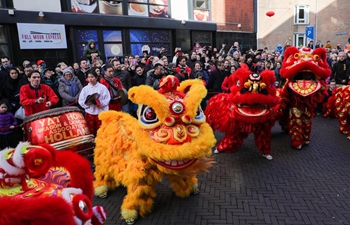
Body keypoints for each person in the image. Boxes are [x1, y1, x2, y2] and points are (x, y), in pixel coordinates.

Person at [78, 70, 110, 136]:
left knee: (102, 131)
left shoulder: (102, 87)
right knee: (90, 131)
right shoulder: (85, 89)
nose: (90, 79)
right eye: (89, 77)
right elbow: (81, 101)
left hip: (101, 112)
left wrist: (99, 103)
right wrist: (88, 104)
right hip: (90, 113)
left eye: (92, 77)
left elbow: (107, 99)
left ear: (96, 77)